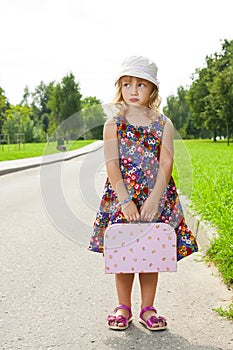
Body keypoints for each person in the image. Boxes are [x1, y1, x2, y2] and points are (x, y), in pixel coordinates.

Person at [88, 56, 198, 331]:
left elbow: (166, 162)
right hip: (122, 198)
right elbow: (112, 163)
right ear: (120, 88)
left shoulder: (163, 123)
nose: (133, 90)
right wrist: (125, 200)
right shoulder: (113, 124)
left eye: (140, 85)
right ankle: (122, 306)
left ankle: (148, 307)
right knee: (124, 253)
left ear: (152, 90)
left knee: (150, 253)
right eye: (127, 84)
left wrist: (153, 199)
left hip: (155, 198)